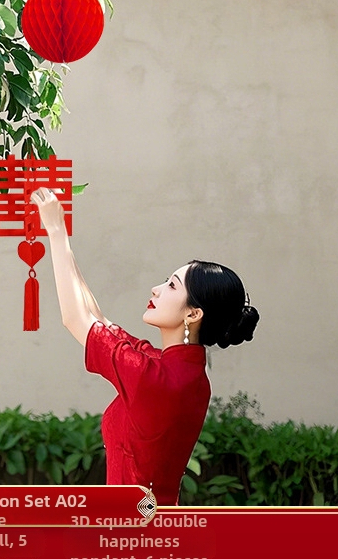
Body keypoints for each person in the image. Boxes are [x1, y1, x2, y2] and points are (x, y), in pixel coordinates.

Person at [30, 187, 260, 506]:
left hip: (133, 532)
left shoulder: (154, 378)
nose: (156, 288)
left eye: (171, 286)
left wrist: (54, 232)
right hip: (155, 525)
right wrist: (62, 236)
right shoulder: (184, 373)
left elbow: (75, 319)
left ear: (193, 313)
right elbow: (97, 318)